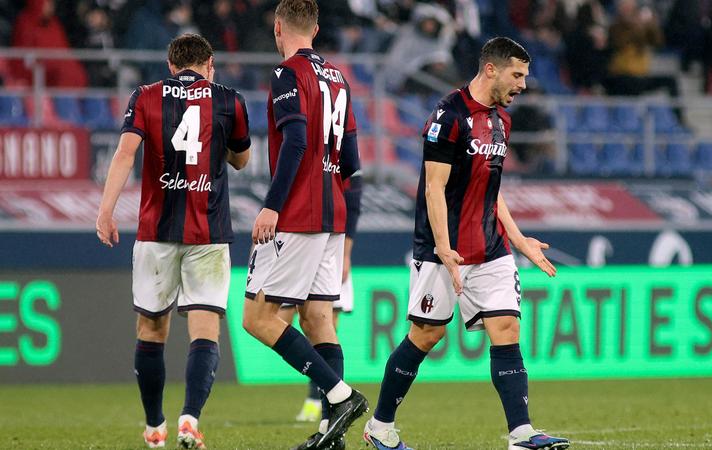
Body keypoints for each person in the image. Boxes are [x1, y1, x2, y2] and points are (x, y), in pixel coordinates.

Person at [362, 37, 570, 450]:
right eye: (517, 75)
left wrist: (519, 239)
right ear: (491, 69)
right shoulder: (449, 116)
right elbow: (433, 188)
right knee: (426, 335)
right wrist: (443, 248)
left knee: (506, 328)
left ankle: (521, 433)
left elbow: (491, 189)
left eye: (525, 77)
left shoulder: (502, 121)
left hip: (490, 246)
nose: (523, 85)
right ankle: (379, 426)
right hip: (443, 249)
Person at [95, 33, 251, 449]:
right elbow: (242, 160)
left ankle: (154, 426)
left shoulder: (145, 96)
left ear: (170, 65)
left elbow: (125, 153)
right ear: (209, 64)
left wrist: (106, 210)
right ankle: (190, 420)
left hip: (156, 231)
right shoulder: (230, 100)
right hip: (208, 231)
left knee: (151, 328)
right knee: (206, 329)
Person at [240, 1, 366, 449]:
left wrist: (272, 206)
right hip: (333, 214)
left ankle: (341, 395)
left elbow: (295, 140)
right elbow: (352, 162)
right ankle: (332, 432)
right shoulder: (339, 79)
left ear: (278, 28)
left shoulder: (286, 74)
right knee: (317, 320)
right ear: (315, 29)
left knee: (257, 319)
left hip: (298, 214)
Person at [280, 174, 363, 425]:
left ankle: (319, 402)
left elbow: (353, 203)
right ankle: (334, 393)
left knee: (326, 325)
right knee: (278, 321)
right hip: (297, 240)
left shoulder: (343, 162)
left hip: (331, 244)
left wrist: (346, 253)